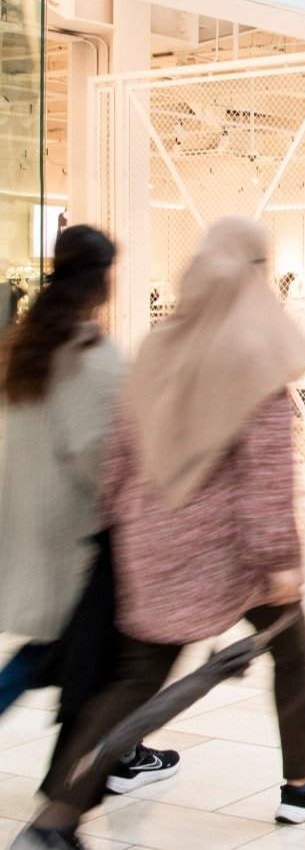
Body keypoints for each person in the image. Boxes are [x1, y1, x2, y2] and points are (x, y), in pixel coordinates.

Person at [18, 219, 305, 849]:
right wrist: (279, 560)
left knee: (133, 681)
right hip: (229, 551)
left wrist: (118, 529)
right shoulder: (256, 353)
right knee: (292, 653)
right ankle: (303, 782)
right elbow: (264, 478)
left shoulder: (157, 344)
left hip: (149, 543)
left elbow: (118, 456)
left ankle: (56, 817)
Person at [0, 227, 178, 803]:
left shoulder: (30, 344)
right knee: (74, 659)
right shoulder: (87, 355)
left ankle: (120, 754)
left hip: (34, 523)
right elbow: (104, 457)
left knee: (65, 655)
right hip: (76, 538)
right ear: (103, 279)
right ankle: (79, 782)